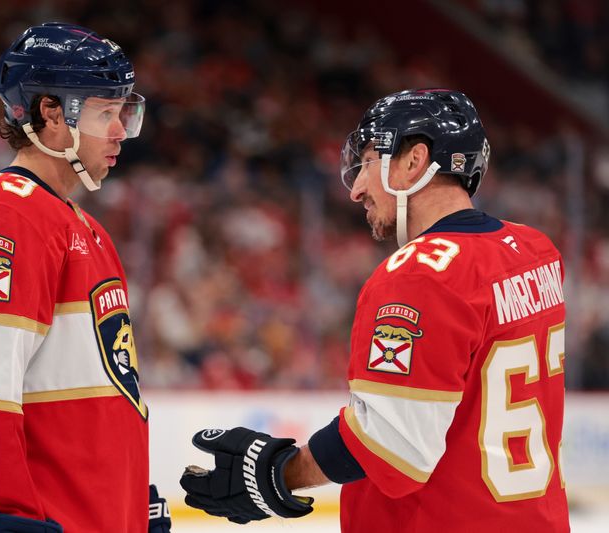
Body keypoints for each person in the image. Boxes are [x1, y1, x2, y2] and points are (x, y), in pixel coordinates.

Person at [180, 89, 569, 532]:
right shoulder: (534, 249)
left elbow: (394, 446)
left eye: (367, 162)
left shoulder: (418, 275)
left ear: (413, 161)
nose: (357, 189)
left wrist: (277, 473)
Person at [0, 22, 170, 533]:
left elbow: (107, 384)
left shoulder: (84, 227)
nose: (121, 130)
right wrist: (5, 513)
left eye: (124, 112)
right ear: (50, 113)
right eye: (105, 112)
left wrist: (132, 501)